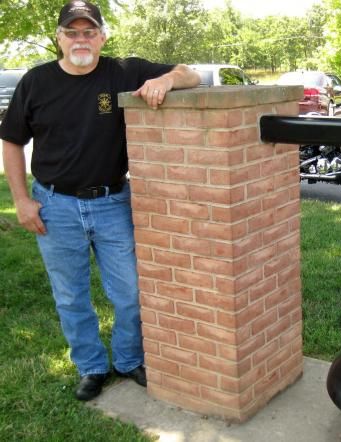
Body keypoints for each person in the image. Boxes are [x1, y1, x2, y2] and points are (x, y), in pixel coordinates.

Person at [0, 1, 200, 401]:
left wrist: (168, 82)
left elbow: (191, 73)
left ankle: (128, 360)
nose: (80, 39)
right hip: (55, 204)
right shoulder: (35, 82)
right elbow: (11, 140)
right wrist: (21, 200)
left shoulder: (122, 72)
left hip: (112, 203)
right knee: (71, 296)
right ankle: (91, 367)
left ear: (102, 37)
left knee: (129, 292)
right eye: (72, 32)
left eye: (88, 32)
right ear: (59, 39)